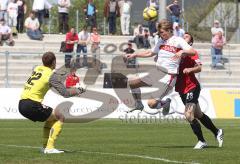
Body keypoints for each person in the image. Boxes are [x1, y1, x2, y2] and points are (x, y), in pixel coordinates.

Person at [125, 19, 195, 112]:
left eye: (162, 32)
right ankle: (139, 105)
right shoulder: (161, 41)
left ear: (169, 30)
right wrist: (135, 54)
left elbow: (192, 52)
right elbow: (151, 53)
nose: (161, 34)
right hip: (156, 72)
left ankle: (165, 103)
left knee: (151, 104)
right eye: (160, 33)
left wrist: (182, 51)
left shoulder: (178, 40)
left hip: (168, 76)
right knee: (132, 83)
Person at [175, 32, 224, 149]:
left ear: (190, 42)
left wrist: (190, 69)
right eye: (183, 36)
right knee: (198, 114)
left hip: (192, 87)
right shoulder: (177, 52)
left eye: (186, 37)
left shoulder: (191, 52)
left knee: (188, 114)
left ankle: (202, 141)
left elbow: (199, 67)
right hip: (181, 89)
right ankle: (217, 132)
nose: (183, 37)